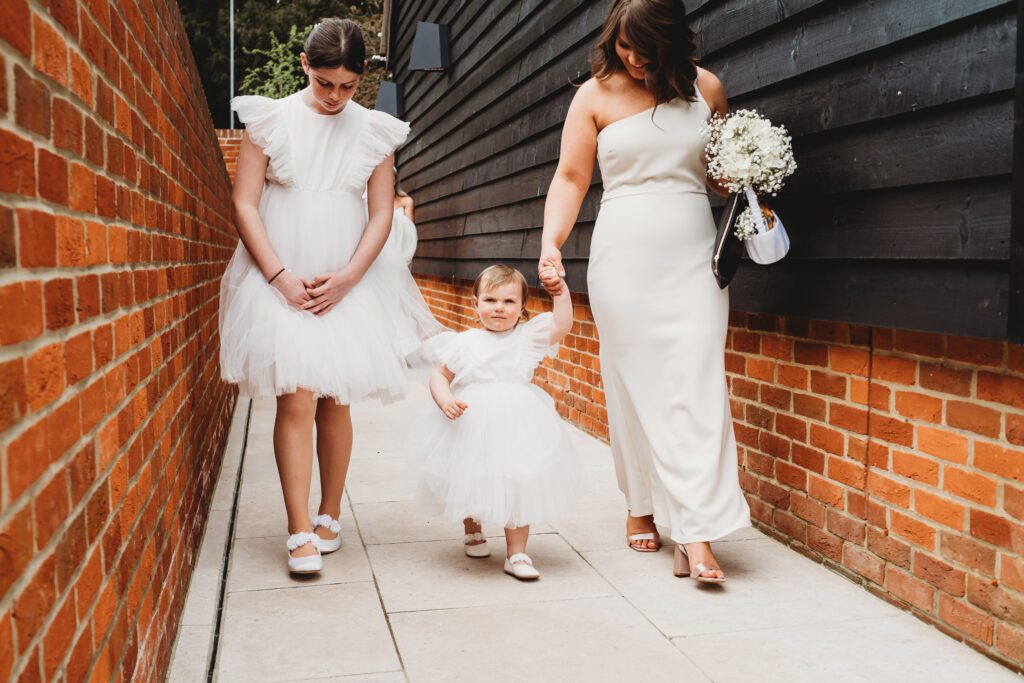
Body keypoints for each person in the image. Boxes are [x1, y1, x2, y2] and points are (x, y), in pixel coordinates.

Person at [538, 0, 750, 582]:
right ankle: (640, 504)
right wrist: (551, 243)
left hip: (692, 255)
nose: (632, 59)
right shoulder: (594, 96)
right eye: (623, 46)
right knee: (632, 382)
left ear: (672, 42)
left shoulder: (706, 88)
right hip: (623, 256)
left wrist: (751, 170)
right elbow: (572, 176)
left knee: (698, 381)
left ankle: (696, 532)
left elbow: (714, 175)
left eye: (645, 49)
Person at [220, 18, 441, 574]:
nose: (336, 96)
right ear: (304, 66)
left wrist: (349, 277)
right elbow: (245, 203)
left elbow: (382, 211)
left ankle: (329, 513)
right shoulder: (270, 121)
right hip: (283, 271)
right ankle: (297, 529)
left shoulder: (374, 130)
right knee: (295, 395)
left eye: (346, 85)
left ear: (361, 76)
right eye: (324, 84)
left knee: (335, 397)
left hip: (347, 276)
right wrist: (279, 276)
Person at [405, 265, 577, 580]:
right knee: (472, 474)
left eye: (509, 302)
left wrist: (560, 291)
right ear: (476, 304)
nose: (499, 308)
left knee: (519, 478)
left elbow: (563, 323)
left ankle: (517, 554)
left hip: (519, 420)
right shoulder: (464, 342)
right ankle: (473, 528)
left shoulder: (528, 338)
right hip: (473, 418)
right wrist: (445, 400)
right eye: (491, 300)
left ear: (522, 308)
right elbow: (439, 375)